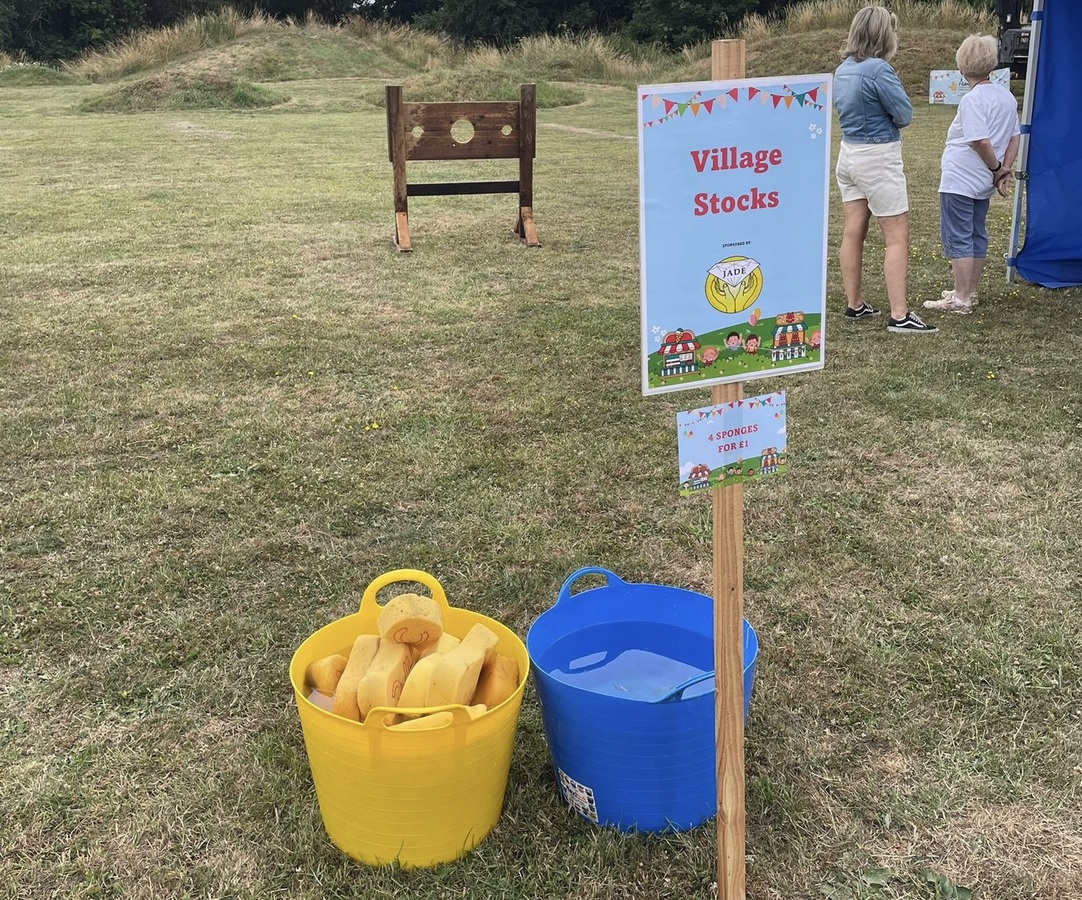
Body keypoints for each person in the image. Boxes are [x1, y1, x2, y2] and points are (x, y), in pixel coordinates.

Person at [834, 6, 937, 334]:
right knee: (896, 237)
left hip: (848, 153)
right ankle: (899, 314)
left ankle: (855, 304)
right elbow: (905, 114)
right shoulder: (879, 70)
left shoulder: (843, 69)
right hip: (877, 155)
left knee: (853, 231)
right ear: (883, 35)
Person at [924, 34, 1020, 315]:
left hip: (961, 178)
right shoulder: (1006, 96)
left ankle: (961, 298)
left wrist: (995, 168)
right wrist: (1003, 170)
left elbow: (979, 141)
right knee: (976, 232)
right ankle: (968, 289)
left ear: (962, 67)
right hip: (983, 182)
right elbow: (1014, 137)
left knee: (958, 235)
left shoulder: (972, 100)